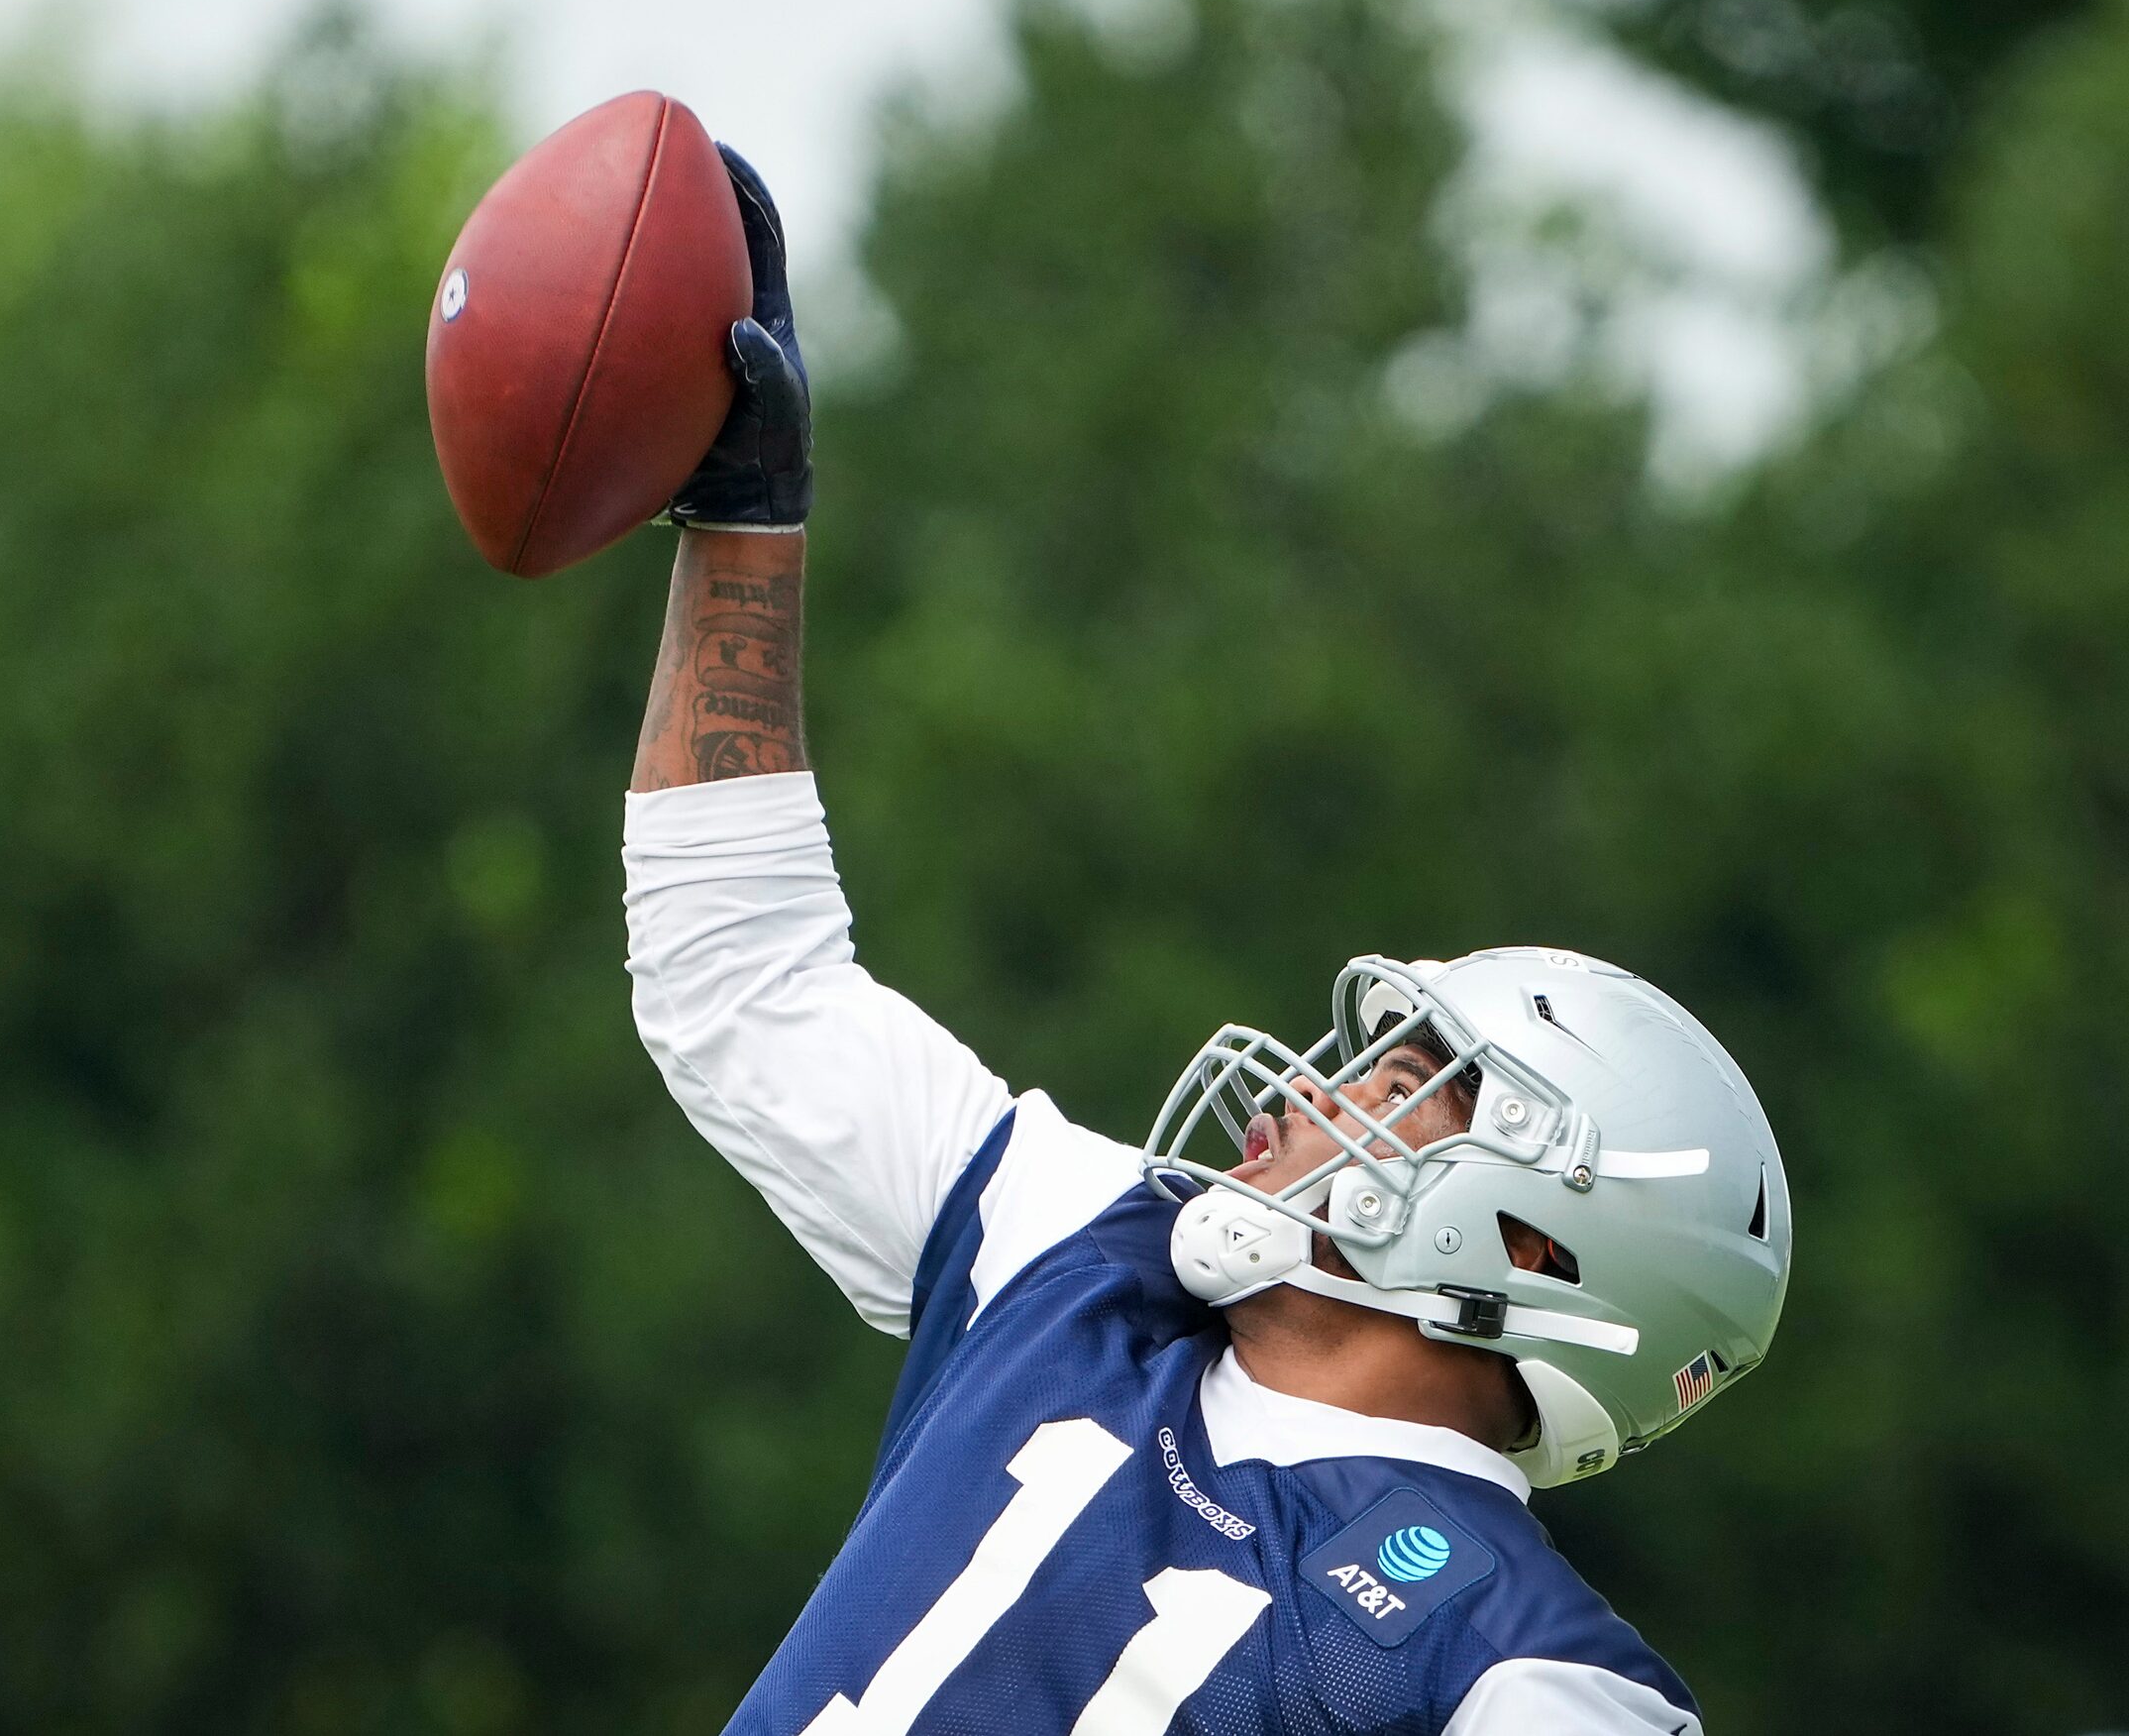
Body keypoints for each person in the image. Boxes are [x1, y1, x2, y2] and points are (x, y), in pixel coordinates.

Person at [623, 147, 1791, 1735]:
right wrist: (744, 523)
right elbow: (737, 983)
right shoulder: (1081, 1249)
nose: (1304, 1090)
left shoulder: (1530, 1671)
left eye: (1405, 1082)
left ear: (1528, 1249)